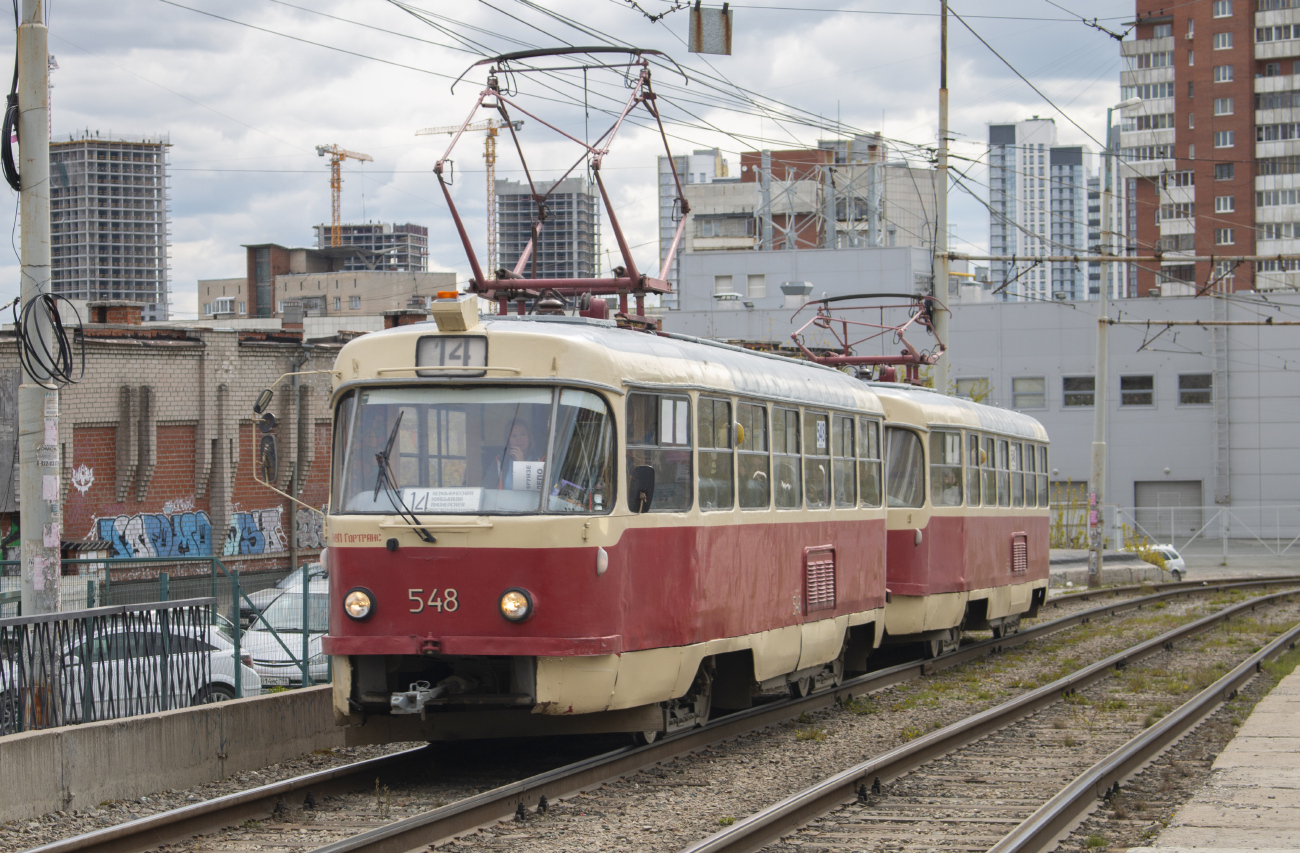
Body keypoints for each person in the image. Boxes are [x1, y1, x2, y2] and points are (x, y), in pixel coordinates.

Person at [495, 420, 543, 489]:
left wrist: (521, 464)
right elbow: (488, 486)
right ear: (508, 440)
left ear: (529, 437)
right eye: (514, 436)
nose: (519, 439)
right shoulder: (500, 460)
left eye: (523, 434)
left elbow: (535, 491)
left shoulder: (540, 459)